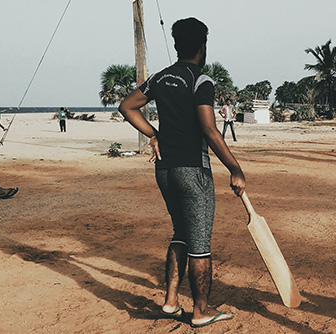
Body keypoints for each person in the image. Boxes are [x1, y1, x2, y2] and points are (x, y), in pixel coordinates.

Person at [117, 17, 243, 329]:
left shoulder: (160, 78)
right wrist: (235, 168)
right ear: (203, 46)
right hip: (193, 172)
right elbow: (210, 131)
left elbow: (127, 106)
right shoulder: (201, 80)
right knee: (200, 242)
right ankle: (200, 312)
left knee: (180, 233)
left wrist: (153, 133)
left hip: (165, 170)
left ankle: (171, 302)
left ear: (177, 45)